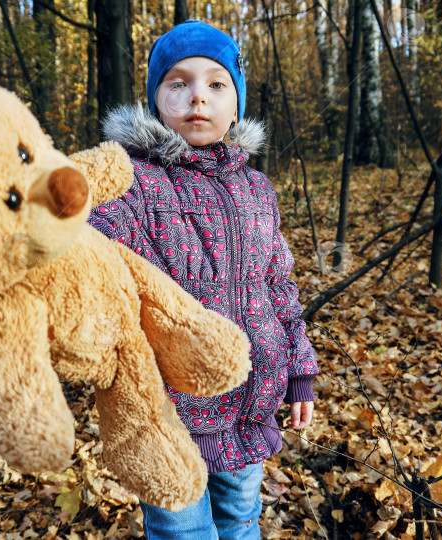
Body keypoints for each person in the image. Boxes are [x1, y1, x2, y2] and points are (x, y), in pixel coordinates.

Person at [87, 19, 318, 540]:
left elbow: (279, 284)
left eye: (216, 84)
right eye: (178, 83)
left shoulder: (257, 189)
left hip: (250, 401)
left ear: (235, 102)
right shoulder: (132, 182)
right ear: (154, 100)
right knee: (184, 533)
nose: (198, 97)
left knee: (240, 520)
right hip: (167, 413)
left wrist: (300, 367)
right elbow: (92, 257)